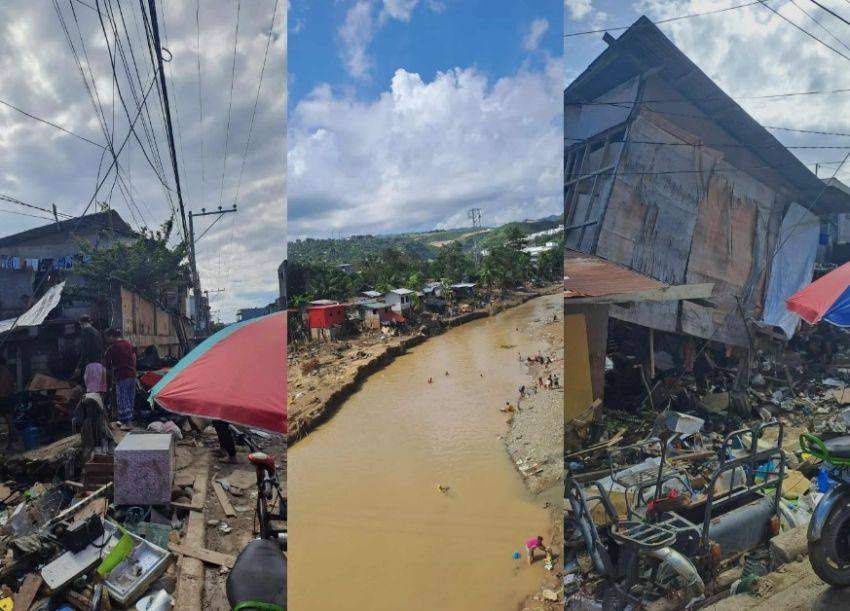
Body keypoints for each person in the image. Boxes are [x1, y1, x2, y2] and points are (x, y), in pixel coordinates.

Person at [104, 328, 137, 429]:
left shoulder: (113, 347)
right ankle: (125, 421)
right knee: (130, 398)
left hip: (122, 376)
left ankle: (128, 424)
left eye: (107, 338)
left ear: (111, 336)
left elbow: (105, 361)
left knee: (122, 398)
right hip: (132, 375)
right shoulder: (127, 343)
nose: (106, 340)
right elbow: (134, 356)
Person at [0, 358, 16, 449]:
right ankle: (10, 445)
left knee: (9, 421)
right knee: (10, 421)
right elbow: (12, 387)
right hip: (7, 399)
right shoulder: (9, 373)